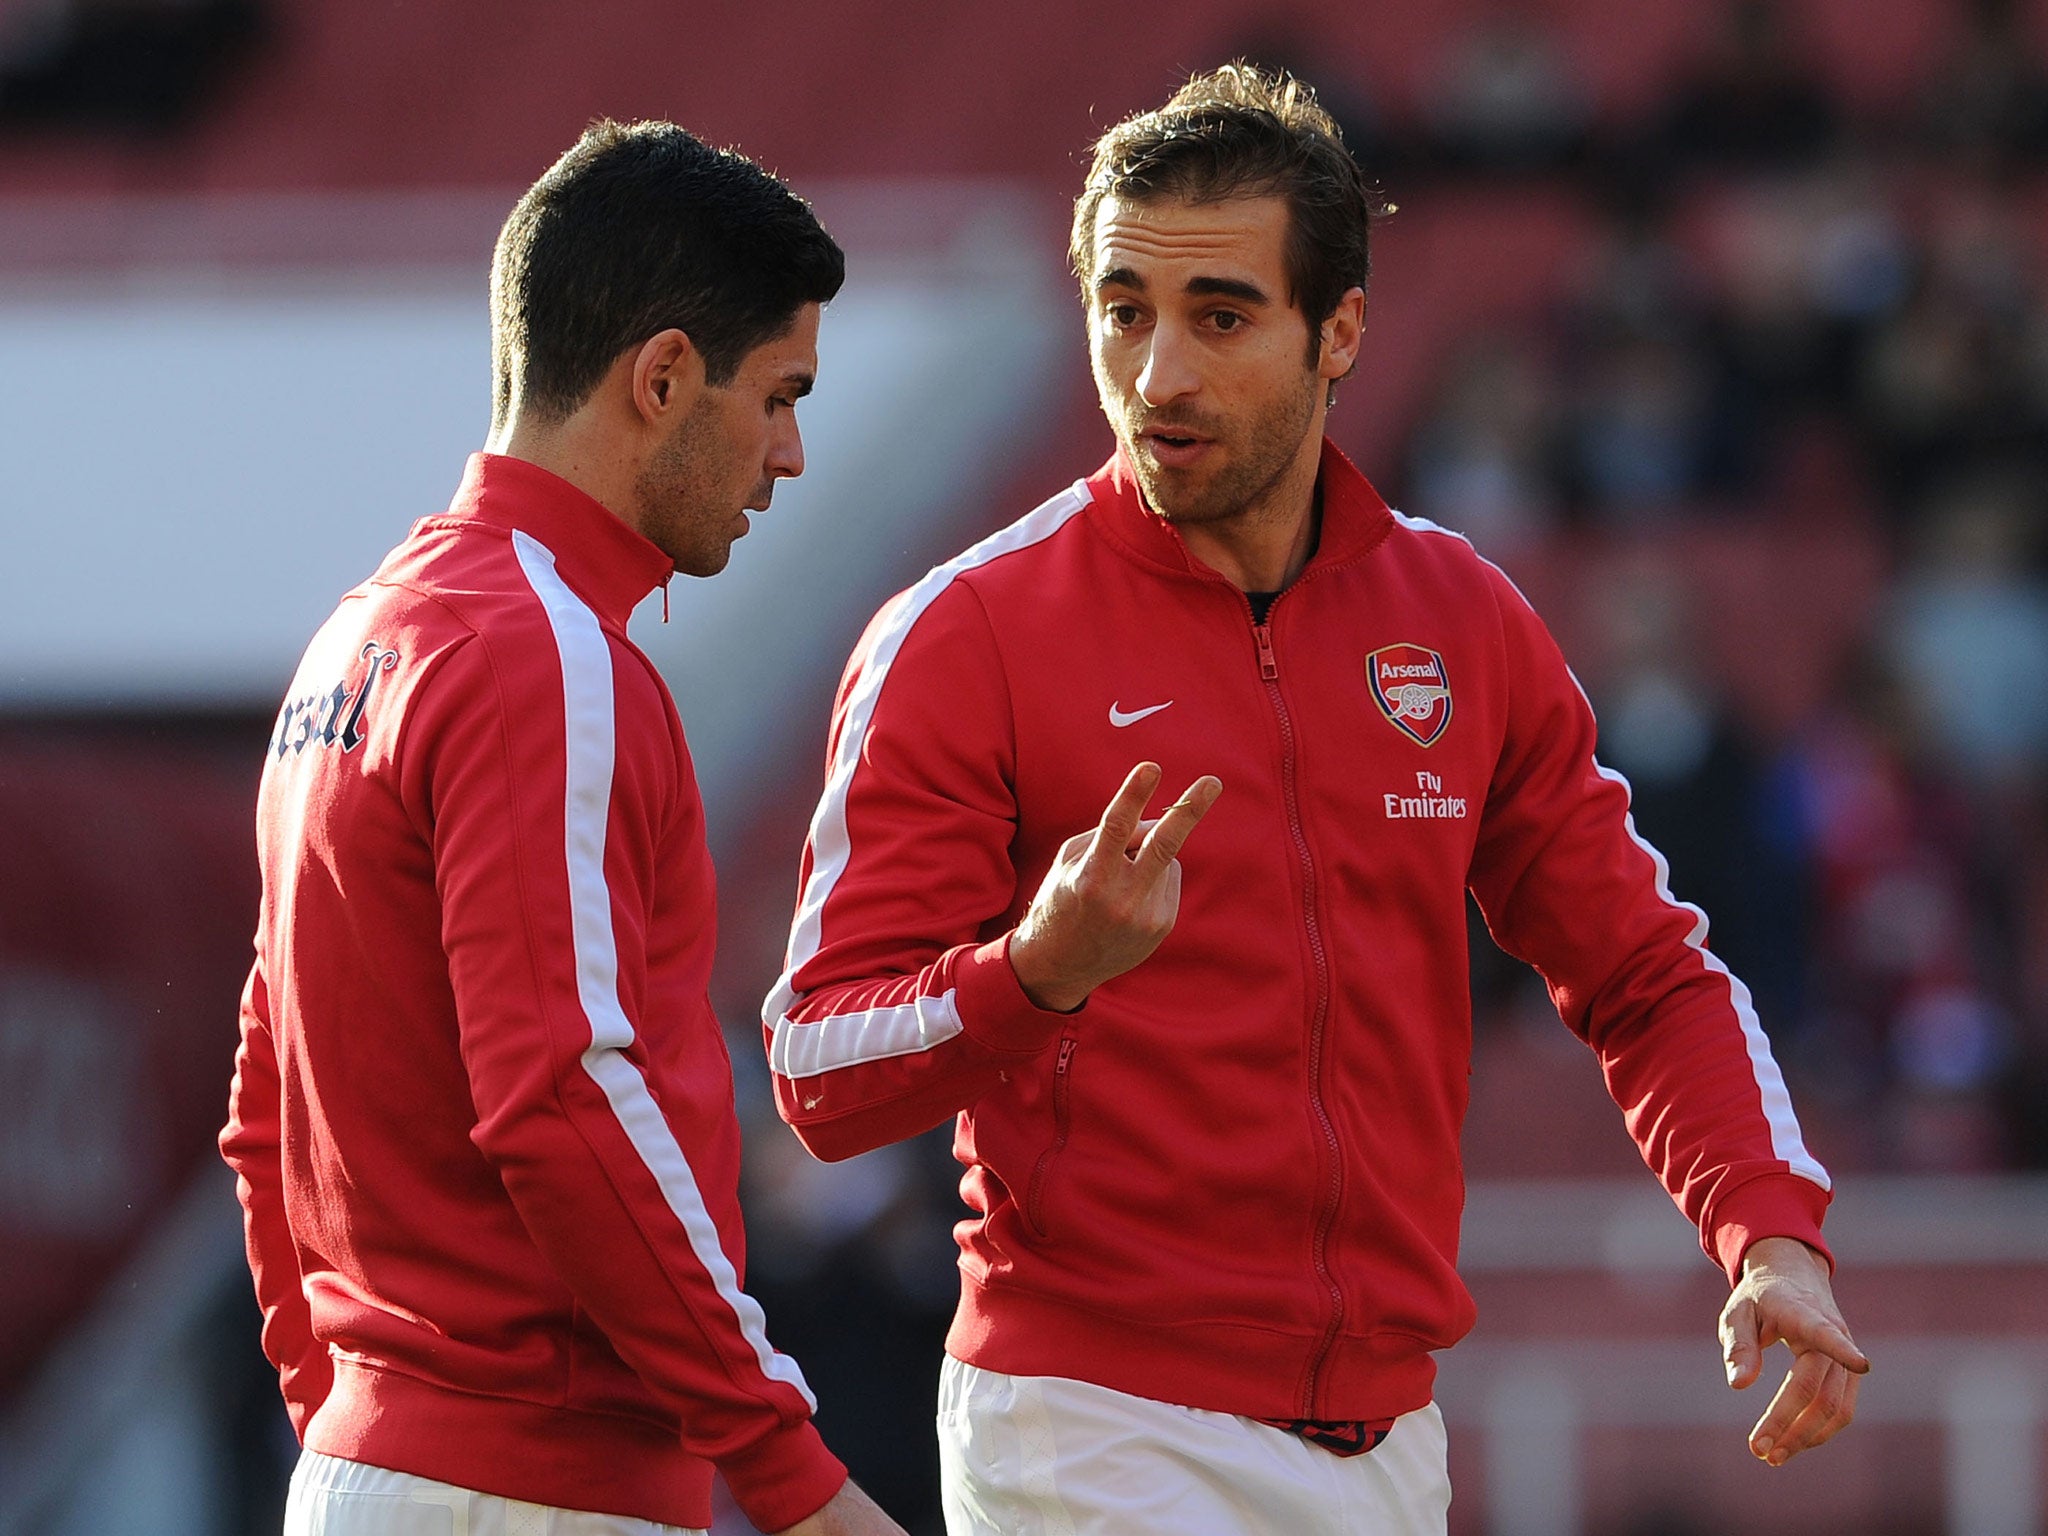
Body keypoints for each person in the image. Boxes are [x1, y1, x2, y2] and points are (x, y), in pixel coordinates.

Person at [761, 66, 1867, 1535]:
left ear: (1341, 327)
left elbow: (1647, 974)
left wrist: (1770, 1233)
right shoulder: (964, 636)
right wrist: (1034, 975)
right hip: (1091, 1434)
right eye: (1121, 311)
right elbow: (819, 1069)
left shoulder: (1462, 619)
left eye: (1219, 316)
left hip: (1392, 1443)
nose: (1157, 374)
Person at [220, 121, 904, 1536]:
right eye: (779, 395)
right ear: (662, 377)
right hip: (528, 1486)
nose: (789, 454)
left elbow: (261, 1107)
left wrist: (351, 1424)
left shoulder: (360, 639)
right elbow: (564, 1094)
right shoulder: (550, 656)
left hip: (386, 1469)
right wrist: (798, 1483)